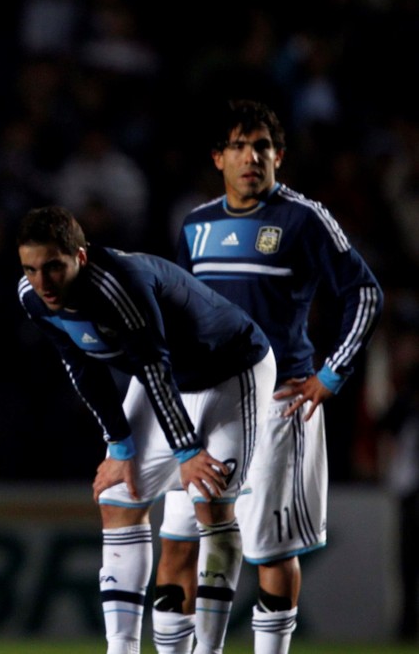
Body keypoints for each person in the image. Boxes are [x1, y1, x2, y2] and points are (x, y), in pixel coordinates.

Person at [162, 99, 384, 654]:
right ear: (218, 158)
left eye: (261, 146)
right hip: (206, 405)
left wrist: (332, 374)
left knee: (271, 551)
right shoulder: (196, 226)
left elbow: (365, 291)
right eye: (238, 146)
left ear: (278, 156)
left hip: (281, 403)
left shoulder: (303, 218)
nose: (250, 157)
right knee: (177, 546)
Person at [15, 206, 275, 654]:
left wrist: (186, 450)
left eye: (53, 266)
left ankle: (208, 651)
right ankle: (123, 650)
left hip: (233, 369)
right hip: (170, 379)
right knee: (119, 498)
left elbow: (154, 365)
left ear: (80, 255)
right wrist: (118, 443)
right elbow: (81, 363)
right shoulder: (32, 298)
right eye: (31, 268)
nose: (42, 280)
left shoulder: (119, 284)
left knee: (211, 500)